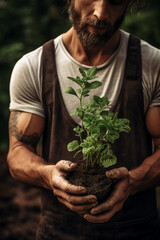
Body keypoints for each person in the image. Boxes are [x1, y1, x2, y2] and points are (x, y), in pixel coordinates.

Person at [7, 0, 160, 239]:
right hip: (58, 233)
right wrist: (48, 175)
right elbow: (17, 152)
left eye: (116, 1)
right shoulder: (33, 66)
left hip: (137, 231)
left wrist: (133, 181)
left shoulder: (153, 65)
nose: (100, 13)